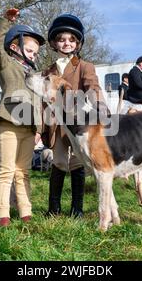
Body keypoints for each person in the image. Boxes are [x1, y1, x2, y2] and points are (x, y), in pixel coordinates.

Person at [42, 14, 105, 218]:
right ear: (54, 42)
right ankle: (54, 209)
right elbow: (42, 101)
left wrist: (100, 107)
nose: (66, 43)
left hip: (78, 123)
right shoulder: (48, 71)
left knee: (78, 163)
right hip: (56, 124)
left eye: (71, 40)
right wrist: (38, 129)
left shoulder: (85, 66)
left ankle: (77, 209)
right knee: (59, 162)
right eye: (61, 39)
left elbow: (93, 88)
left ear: (77, 43)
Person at [0, 8, 45, 227]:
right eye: (30, 51)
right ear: (15, 47)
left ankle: (26, 213)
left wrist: (39, 129)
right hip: (9, 123)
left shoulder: (35, 75)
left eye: (35, 53)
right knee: (6, 171)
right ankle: (2, 214)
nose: (33, 55)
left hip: (29, 128)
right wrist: (6, 21)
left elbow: (39, 103)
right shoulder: (6, 63)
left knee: (24, 172)